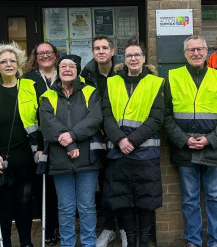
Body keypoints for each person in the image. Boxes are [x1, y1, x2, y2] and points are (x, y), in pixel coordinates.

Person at [164, 35, 217, 247]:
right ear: (185, 53)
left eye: (199, 49)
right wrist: (184, 140)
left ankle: (214, 242)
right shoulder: (172, 77)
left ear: (208, 52)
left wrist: (210, 139)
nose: (196, 53)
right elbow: (166, 116)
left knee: (215, 198)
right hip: (185, 149)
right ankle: (193, 242)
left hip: (213, 148)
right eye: (191, 50)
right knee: (189, 200)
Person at [0, 42, 43, 247]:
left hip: (24, 155)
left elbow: (42, 119)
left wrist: (40, 148)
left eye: (12, 61)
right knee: (3, 204)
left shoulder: (31, 86)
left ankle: (26, 243)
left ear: (19, 64)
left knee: (24, 203)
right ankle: (5, 243)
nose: (8, 64)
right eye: (3, 61)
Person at [101, 41, 164, 247]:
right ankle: (130, 241)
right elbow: (106, 114)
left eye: (137, 55)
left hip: (145, 154)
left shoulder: (155, 83)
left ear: (144, 59)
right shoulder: (112, 82)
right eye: (129, 55)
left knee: (146, 202)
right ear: (123, 59)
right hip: (119, 154)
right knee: (123, 200)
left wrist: (132, 140)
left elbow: (156, 117)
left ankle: (144, 242)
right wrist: (120, 139)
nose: (134, 59)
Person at [39, 55, 104, 247]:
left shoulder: (90, 92)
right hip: (60, 158)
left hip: (87, 158)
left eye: (71, 66)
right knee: (66, 207)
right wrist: (69, 144)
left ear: (78, 69)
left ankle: (88, 243)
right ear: (58, 70)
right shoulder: (48, 95)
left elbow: (95, 119)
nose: (67, 69)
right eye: (63, 66)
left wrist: (73, 136)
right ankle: (67, 244)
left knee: (87, 206)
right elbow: (47, 124)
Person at [80, 36, 128, 247]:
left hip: (121, 137)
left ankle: (126, 229)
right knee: (104, 185)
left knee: (123, 184)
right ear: (92, 52)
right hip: (96, 139)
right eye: (97, 48)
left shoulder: (122, 71)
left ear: (112, 50)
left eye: (104, 48)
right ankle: (109, 228)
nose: (101, 51)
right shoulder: (86, 75)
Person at [22, 41, 61, 245]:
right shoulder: (28, 79)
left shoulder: (64, 73)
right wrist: (35, 145)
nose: (45, 56)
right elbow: (27, 114)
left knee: (59, 188)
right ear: (35, 57)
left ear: (55, 54)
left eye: (49, 52)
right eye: (40, 53)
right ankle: (48, 228)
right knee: (42, 188)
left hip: (61, 139)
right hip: (38, 140)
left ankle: (60, 227)